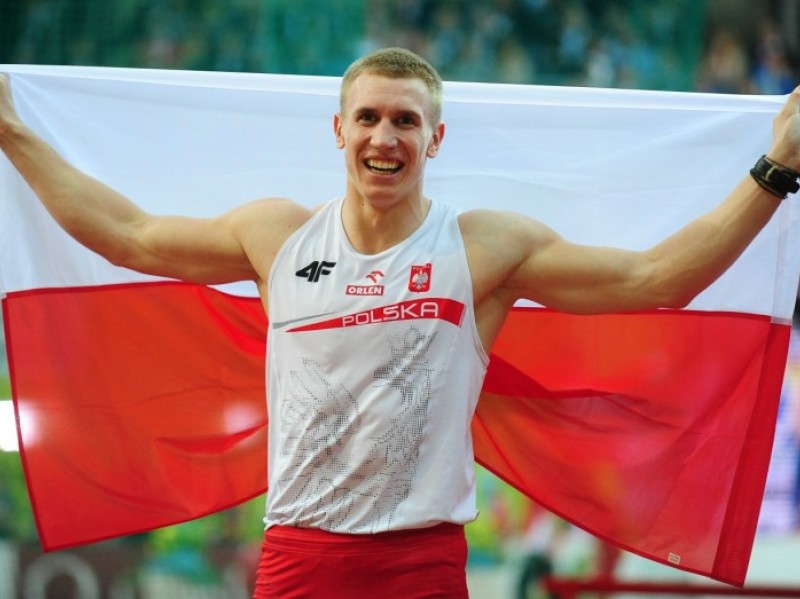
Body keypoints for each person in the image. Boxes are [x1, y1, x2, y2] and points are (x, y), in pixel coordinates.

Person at [1, 47, 799, 598]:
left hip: (420, 564)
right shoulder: (275, 236)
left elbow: (659, 276)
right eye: (371, 117)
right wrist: (11, 132)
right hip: (298, 558)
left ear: (436, 137)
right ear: (340, 130)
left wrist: (776, 169)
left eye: (407, 121)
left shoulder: (483, 247)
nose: (387, 137)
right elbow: (129, 234)